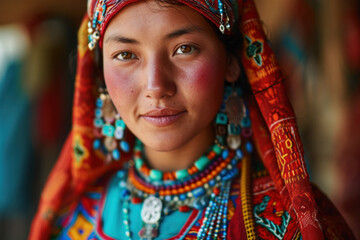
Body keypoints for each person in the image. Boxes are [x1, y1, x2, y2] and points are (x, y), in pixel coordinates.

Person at [29, 0, 355, 239]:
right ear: (100, 71)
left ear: (232, 62)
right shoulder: (75, 212)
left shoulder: (285, 222)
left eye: (184, 48)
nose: (156, 87)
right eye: (126, 55)